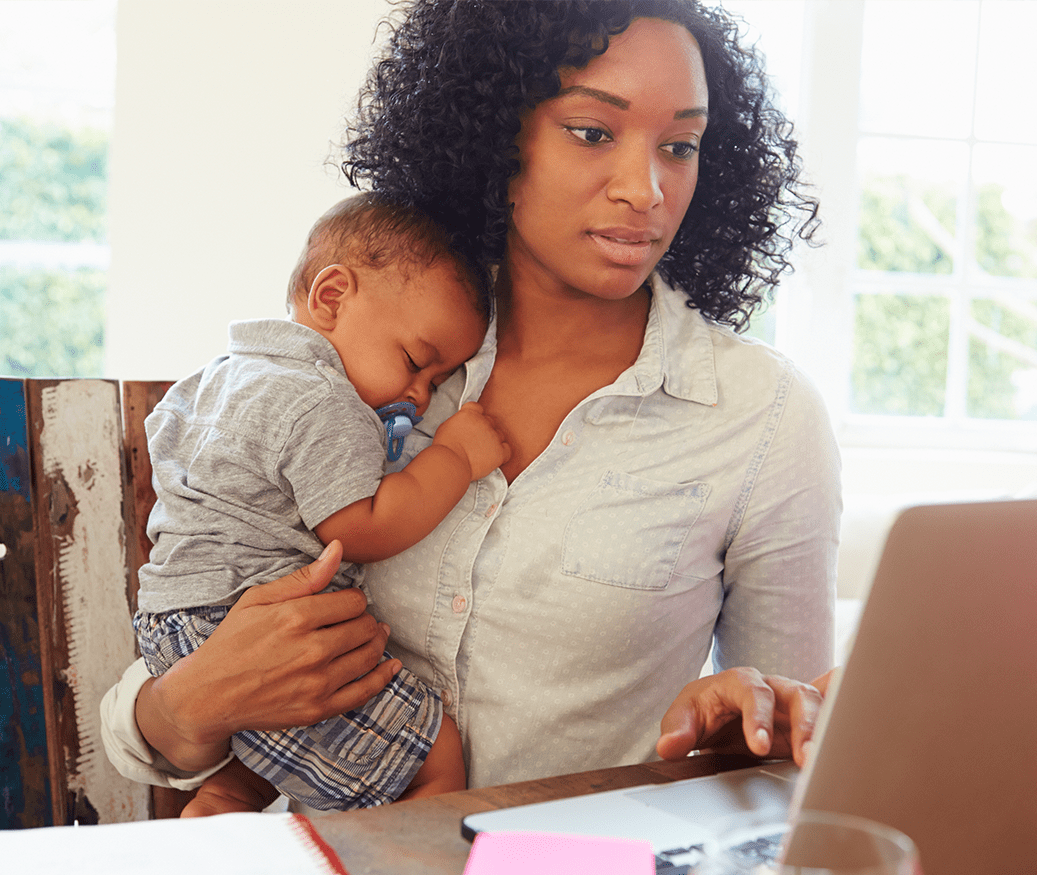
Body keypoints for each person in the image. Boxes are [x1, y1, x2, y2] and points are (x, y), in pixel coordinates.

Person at [100, 0, 841, 809]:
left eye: (680, 146)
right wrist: (186, 707)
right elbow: (161, 698)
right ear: (496, 135)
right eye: (593, 132)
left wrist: (741, 730)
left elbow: (789, 758)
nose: (646, 189)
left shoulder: (762, 417)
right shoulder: (375, 355)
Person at [129, 193, 510, 814]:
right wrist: (457, 459)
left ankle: (222, 800)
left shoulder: (217, 377)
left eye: (438, 383)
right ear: (332, 297)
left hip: (176, 623)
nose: (418, 395)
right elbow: (362, 527)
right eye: (417, 362)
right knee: (433, 756)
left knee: (259, 768)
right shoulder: (322, 401)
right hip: (246, 624)